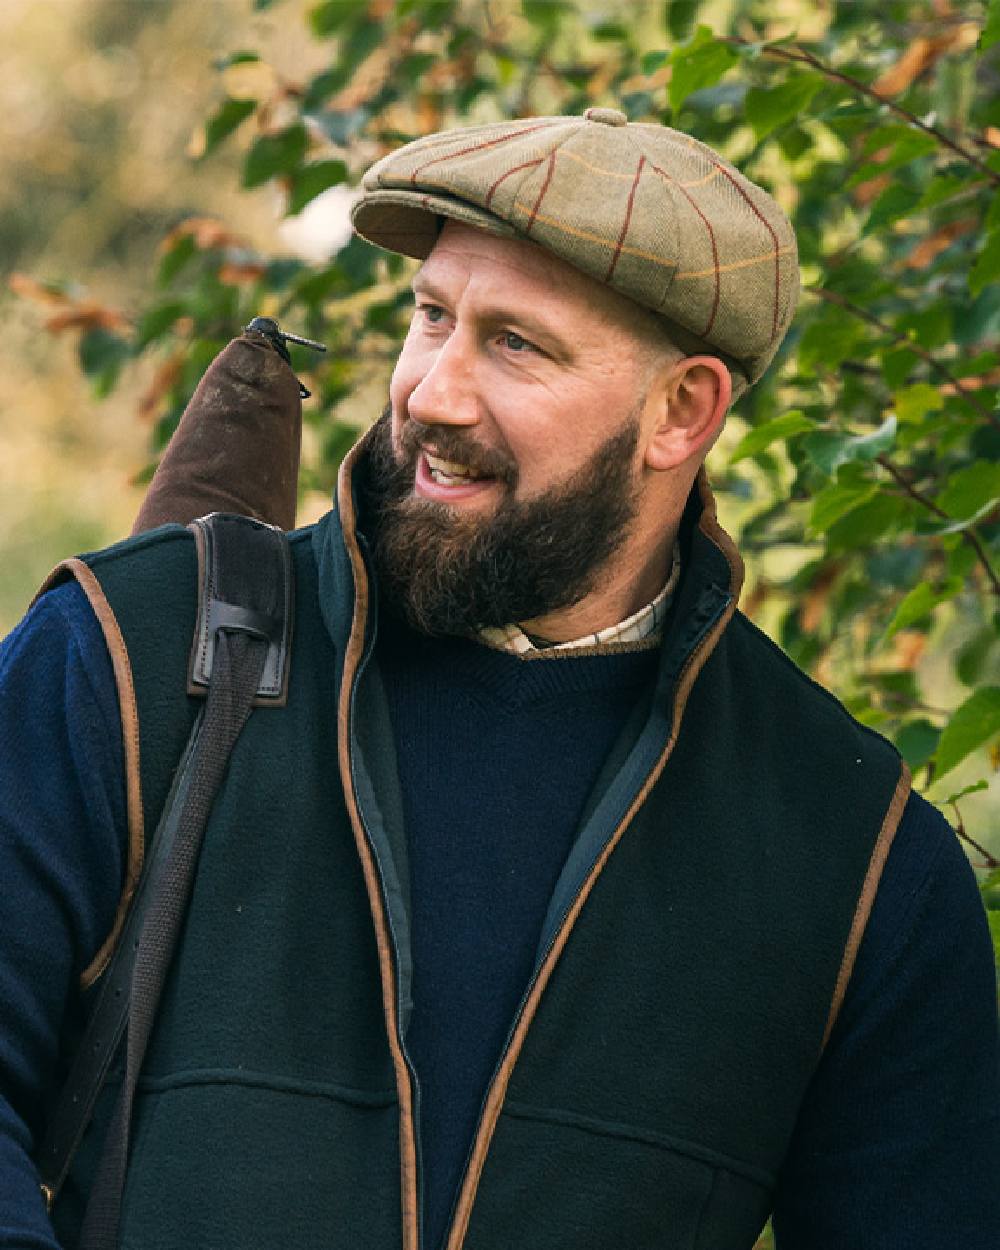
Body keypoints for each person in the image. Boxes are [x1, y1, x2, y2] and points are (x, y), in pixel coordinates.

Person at [1, 108, 997, 1250]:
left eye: (515, 342)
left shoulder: (851, 845)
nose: (433, 392)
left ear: (683, 412)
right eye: (431, 316)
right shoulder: (126, 651)